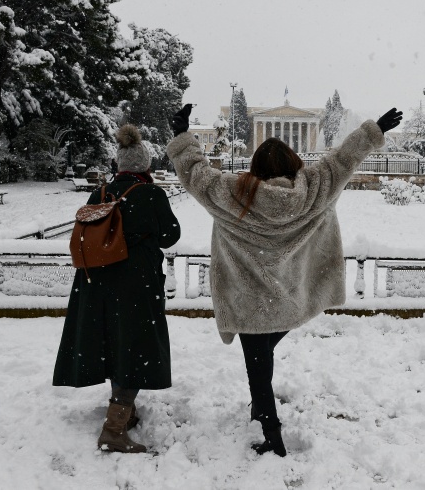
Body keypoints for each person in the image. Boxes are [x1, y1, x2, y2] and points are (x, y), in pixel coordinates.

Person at [166, 103, 403, 457]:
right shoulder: (314, 191)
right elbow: (342, 161)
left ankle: (272, 435)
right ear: (294, 164)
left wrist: (182, 136)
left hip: (248, 302)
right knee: (261, 359)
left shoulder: (233, 195)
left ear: (256, 166)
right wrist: (373, 131)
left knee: (257, 369)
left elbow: (195, 174)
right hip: (288, 300)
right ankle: (260, 411)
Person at [53, 124, 181, 453]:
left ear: (118, 165)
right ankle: (113, 428)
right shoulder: (151, 194)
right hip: (135, 286)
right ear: (145, 167)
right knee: (134, 349)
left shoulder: (99, 194)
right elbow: (170, 236)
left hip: (96, 285)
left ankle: (127, 410)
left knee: (112, 345)